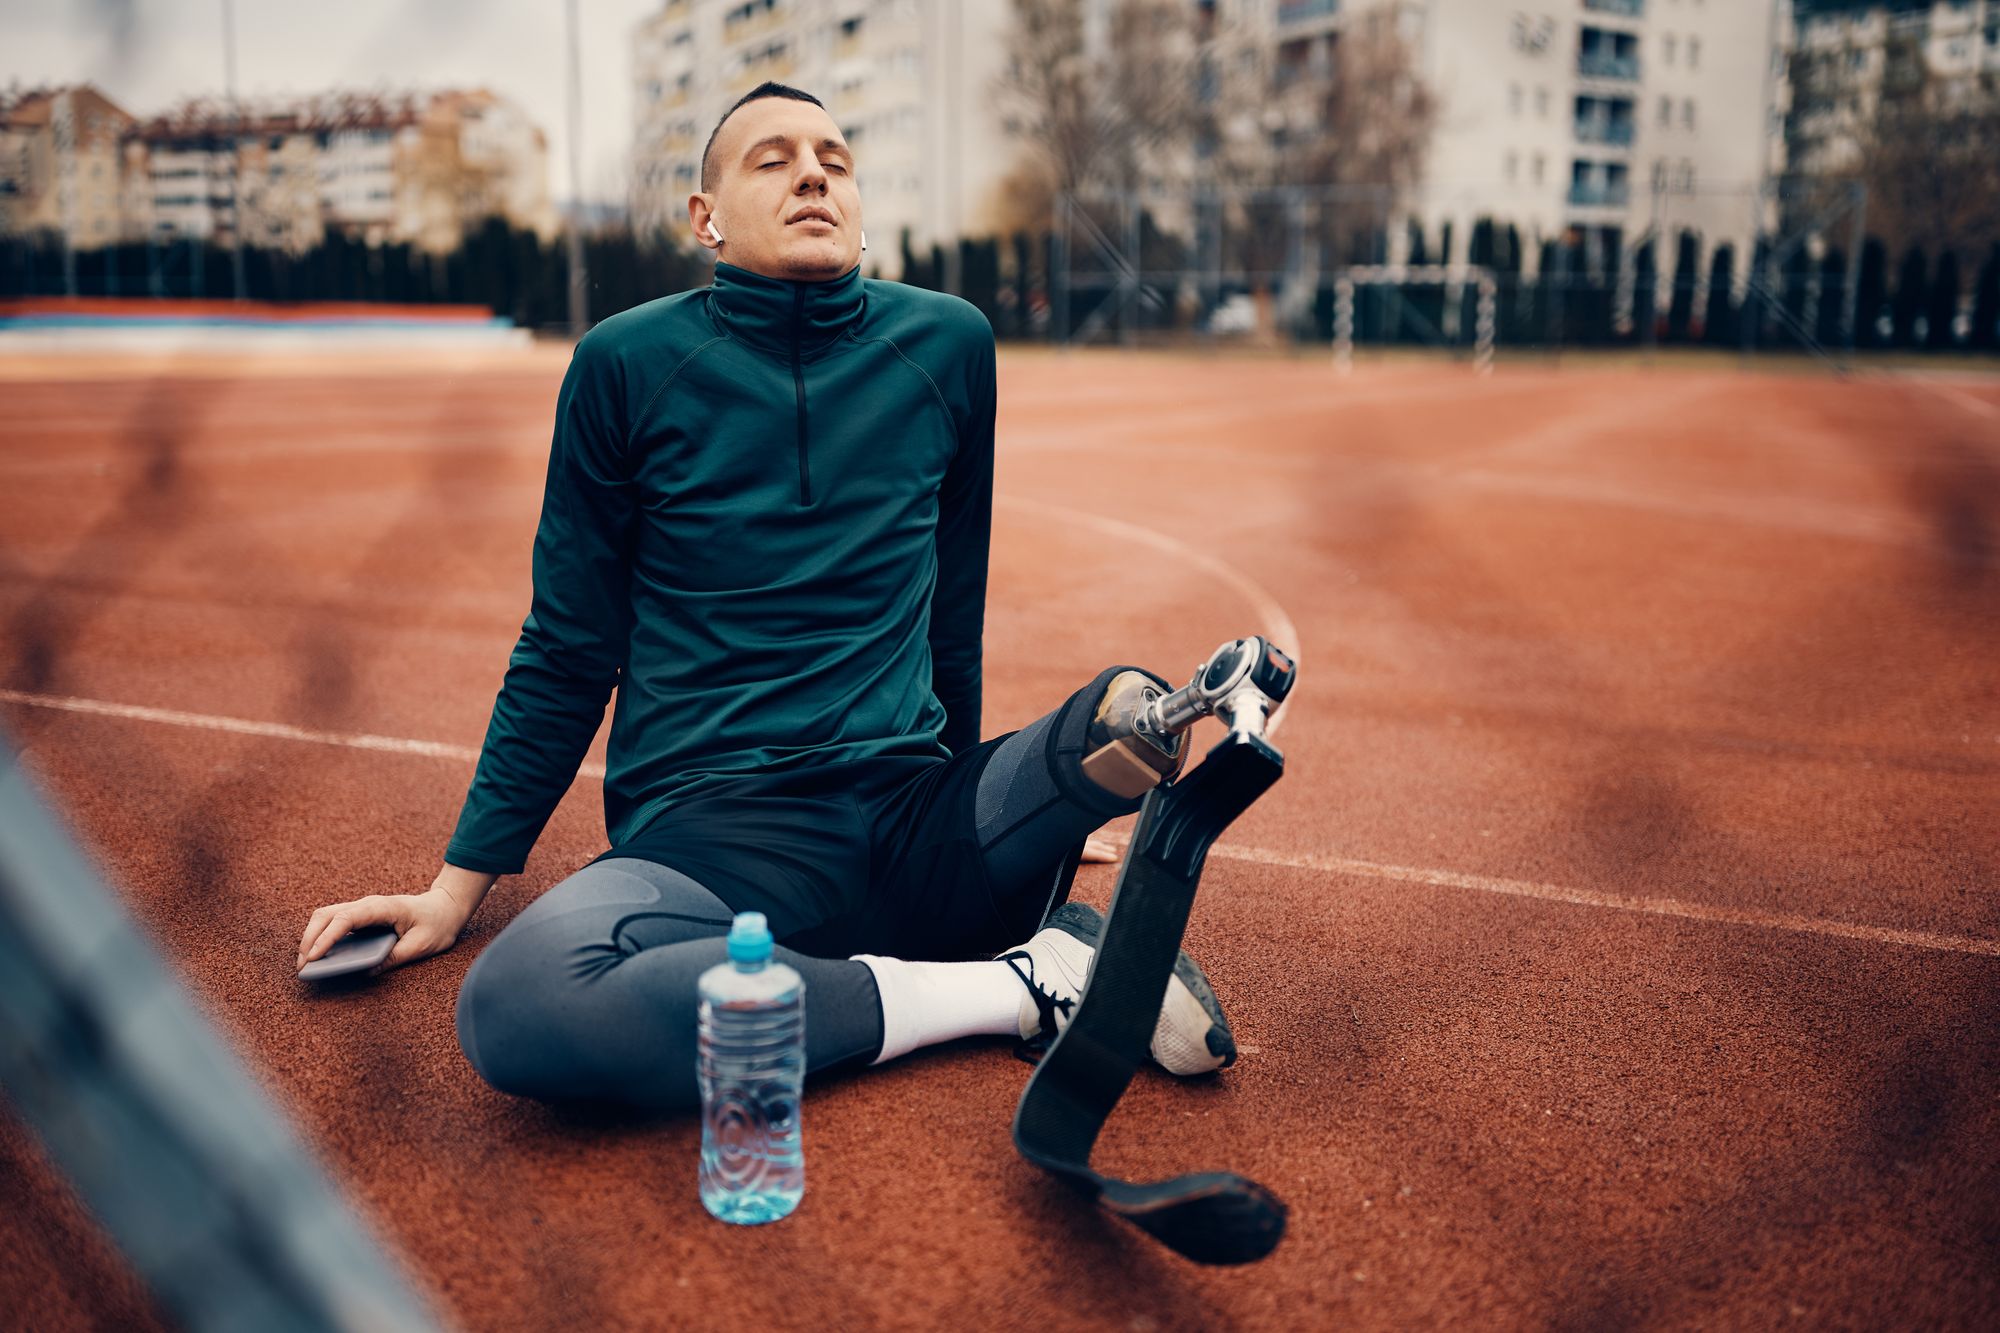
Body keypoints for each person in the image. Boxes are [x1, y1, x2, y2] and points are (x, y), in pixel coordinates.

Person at [294, 83, 1239, 1113]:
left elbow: (948, 617)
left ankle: (1006, 911)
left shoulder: (950, 346)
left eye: (834, 159)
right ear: (704, 219)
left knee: (1125, 707)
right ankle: (1029, 982)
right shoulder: (624, 365)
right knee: (520, 1004)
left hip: (911, 816)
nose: (811, 175)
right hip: (712, 842)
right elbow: (568, 645)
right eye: (772, 158)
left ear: (858, 202)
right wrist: (456, 885)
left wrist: (976, 803)